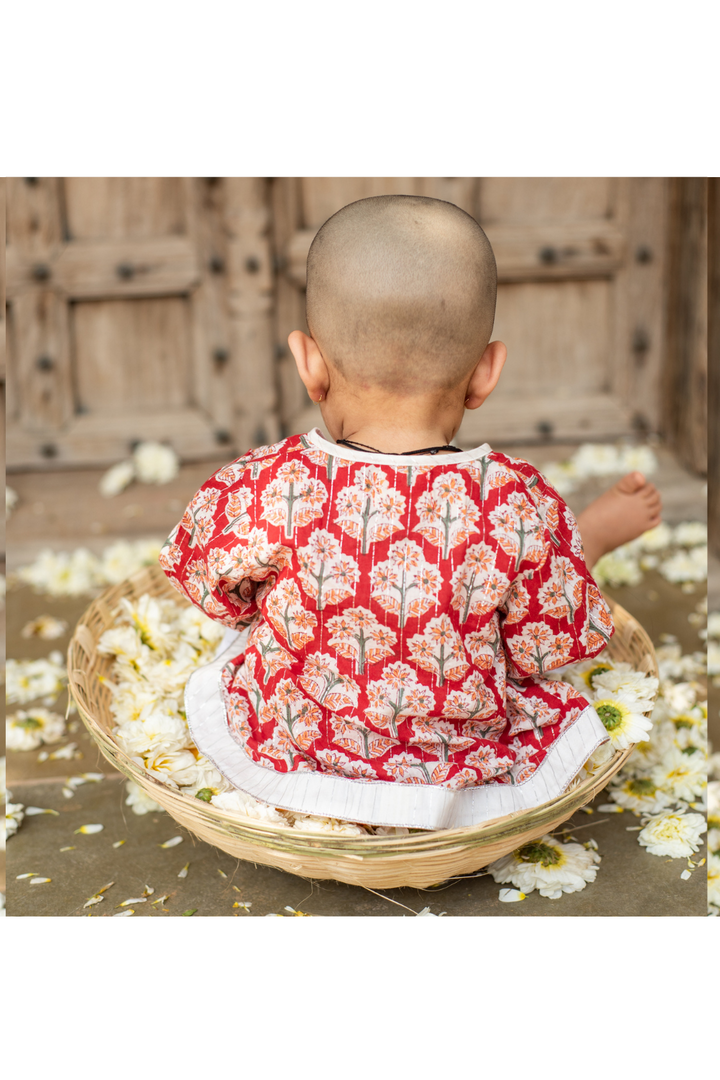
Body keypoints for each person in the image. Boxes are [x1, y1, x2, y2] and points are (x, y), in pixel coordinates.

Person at [160, 195, 662, 830]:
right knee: (526, 597)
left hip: (295, 744)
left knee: (256, 627)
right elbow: (545, 644)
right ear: (485, 374)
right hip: (461, 759)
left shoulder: (267, 482)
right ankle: (581, 544)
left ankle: (571, 549)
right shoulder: (512, 500)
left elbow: (208, 583)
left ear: (308, 363)